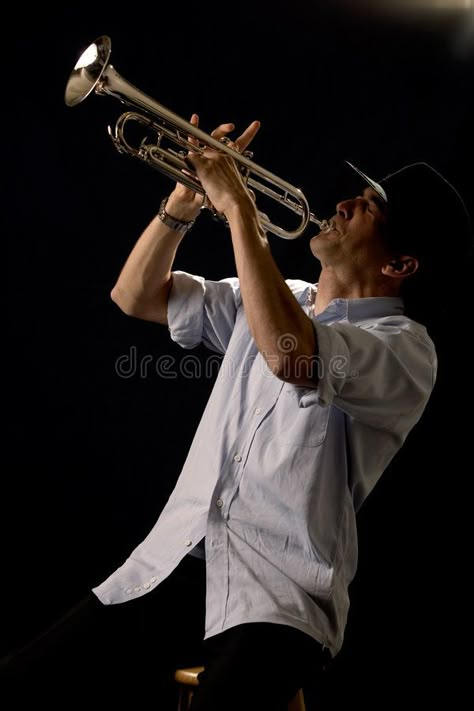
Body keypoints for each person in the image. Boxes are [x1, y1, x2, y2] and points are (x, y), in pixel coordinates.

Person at [2, 114, 471, 710]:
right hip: (178, 559)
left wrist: (242, 212)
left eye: (369, 208)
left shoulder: (405, 350)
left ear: (401, 266)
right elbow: (135, 296)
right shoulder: (281, 297)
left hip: (281, 597)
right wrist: (186, 202)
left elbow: (290, 353)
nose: (346, 203)